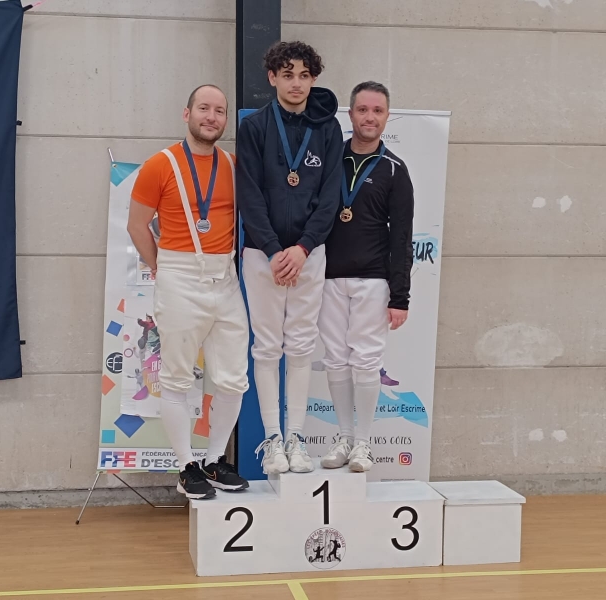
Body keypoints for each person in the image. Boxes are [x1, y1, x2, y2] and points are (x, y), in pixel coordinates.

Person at [127, 84, 250, 499]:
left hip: (225, 277)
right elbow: (137, 225)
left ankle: (214, 461)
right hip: (179, 273)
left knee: (233, 379)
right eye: (204, 108)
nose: (211, 117)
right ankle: (186, 467)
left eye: (220, 111)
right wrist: (161, 267)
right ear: (187, 113)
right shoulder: (159, 165)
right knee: (177, 379)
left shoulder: (232, 165)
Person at [237, 41, 343, 474]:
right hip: (262, 255)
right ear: (272, 78)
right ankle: (273, 440)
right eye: (287, 75)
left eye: (303, 75)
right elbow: (249, 195)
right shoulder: (253, 127)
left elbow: (330, 196)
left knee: (300, 345)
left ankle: (296, 437)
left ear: (313, 78)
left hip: (308, 254)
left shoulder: (329, 129)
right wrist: (274, 250)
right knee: (266, 347)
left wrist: (302, 248)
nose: (295, 83)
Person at [318, 81, 414, 472]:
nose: (369, 117)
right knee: (336, 360)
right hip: (327, 278)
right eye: (362, 110)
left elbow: (402, 237)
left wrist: (400, 296)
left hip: (374, 280)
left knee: (367, 361)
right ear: (351, 114)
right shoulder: (330, 159)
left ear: (387, 116)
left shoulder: (395, 170)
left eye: (377, 110)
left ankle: (364, 443)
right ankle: (344, 437)